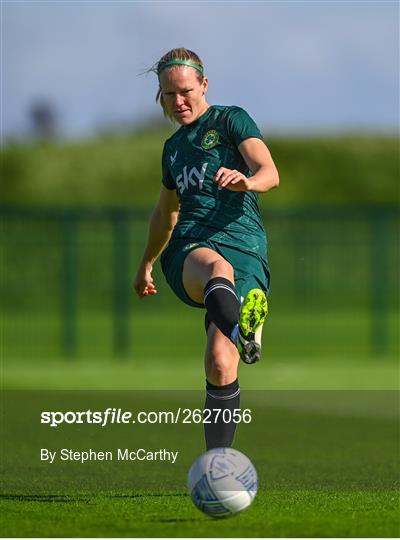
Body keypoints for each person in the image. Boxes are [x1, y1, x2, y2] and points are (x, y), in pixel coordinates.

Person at [134, 48, 279, 450]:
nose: (178, 102)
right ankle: (242, 327)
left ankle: (218, 463)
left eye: (185, 91)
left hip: (246, 247)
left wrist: (246, 181)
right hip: (192, 247)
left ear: (204, 85)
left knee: (220, 362)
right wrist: (146, 262)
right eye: (168, 94)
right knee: (218, 269)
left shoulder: (231, 120)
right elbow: (165, 214)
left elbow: (269, 172)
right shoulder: (173, 149)